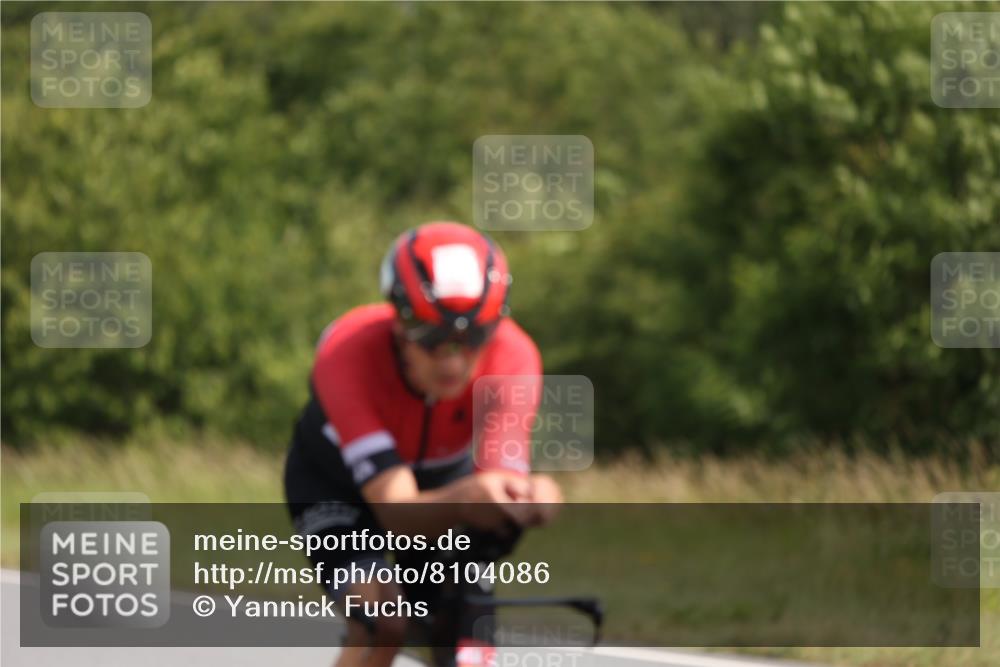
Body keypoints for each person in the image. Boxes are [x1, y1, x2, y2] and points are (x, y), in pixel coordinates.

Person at [284, 221, 562, 667]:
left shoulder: (514, 357)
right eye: (431, 337)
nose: (452, 360)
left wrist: (531, 499)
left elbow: (499, 485)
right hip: (337, 485)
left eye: (474, 337)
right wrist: (473, 496)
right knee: (382, 623)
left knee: (469, 644)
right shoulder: (347, 353)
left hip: (443, 483)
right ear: (398, 321)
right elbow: (396, 511)